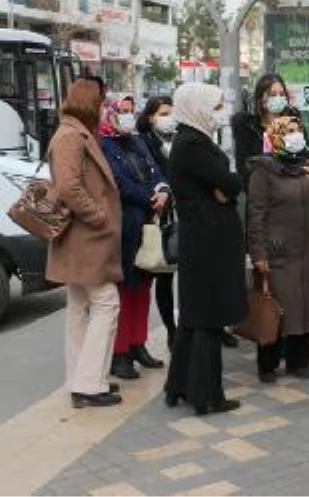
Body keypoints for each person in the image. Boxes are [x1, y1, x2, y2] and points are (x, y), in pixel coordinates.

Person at [163, 83, 246, 417]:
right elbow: (231, 182)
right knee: (208, 319)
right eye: (215, 106)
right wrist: (227, 183)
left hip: (205, 237)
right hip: (207, 240)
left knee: (195, 319)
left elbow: (223, 184)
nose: (220, 112)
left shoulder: (190, 140)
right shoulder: (192, 144)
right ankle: (206, 395)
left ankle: (180, 386)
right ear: (196, 106)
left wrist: (224, 184)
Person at [47, 80, 123, 409]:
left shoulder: (76, 133)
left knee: (80, 306)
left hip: (83, 238)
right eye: (103, 102)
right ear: (90, 102)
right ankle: (90, 383)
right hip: (85, 237)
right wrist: (98, 215)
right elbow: (68, 186)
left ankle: (82, 380)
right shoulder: (70, 136)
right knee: (106, 304)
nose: (106, 107)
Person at [247, 116, 309, 384]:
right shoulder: (264, 169)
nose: (295, 136)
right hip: (278, 251)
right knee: (277, 307)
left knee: (304, 304)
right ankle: (267, 363)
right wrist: (258, 253)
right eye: (289, 131)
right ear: (276, 136)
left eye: (298, 130)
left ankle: (299, 361)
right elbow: (255, 213)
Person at [100, 96, 170, 381]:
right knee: (124, 289)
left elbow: (155, 170)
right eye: (122, 112)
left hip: (146, 223)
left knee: (143, 285)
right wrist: (149, 198)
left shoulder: (136, 141)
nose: (127, 117)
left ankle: (138, 344)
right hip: (123, 226)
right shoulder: (102, 144)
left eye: (130, 112)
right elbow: (116, 182)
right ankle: (120, 353)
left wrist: (163, 189)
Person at [136, 96, 179, 347]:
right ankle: (171, 330)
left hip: (184, 210)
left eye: (171, 112)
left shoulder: (179, 137)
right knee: (164, 273)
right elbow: (151, 173)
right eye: (164, 113)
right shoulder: (144, 142)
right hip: (161, 213)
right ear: (150, 116)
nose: (169, 117)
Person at [232, 73, 302, 187]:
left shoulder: (293, 124)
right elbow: (244, 167)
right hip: (261, 194)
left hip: (290, 193)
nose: (278, 98)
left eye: (282, 94)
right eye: (272, 94)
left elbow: (302, 160)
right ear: (260, 99)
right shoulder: (248, 127)